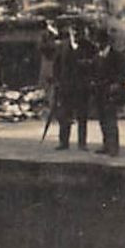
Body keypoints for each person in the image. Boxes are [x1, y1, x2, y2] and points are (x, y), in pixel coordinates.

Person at [52, 20, 92, 151]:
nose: (75, 32)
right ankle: (64, 142)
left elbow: (94, 65)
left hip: (82, 87)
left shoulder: (88, 46)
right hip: (66, 87)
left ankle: (82, 143)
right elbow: (56, 66)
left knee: (82, 116)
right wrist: (57, 81)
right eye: (73, 30)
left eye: (77, 30)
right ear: (69, 31)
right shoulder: (62, 46)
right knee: (64, 115)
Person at [90, 25, 125, 156]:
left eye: (99, 42)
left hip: (113, 93)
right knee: (102, 120)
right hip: (100, 93)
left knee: (111, 120)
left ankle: (113, 147)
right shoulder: (96, 56)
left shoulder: (117, 55)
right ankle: (106, 145)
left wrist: (117, 83)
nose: (97, 45)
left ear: (105, 42)